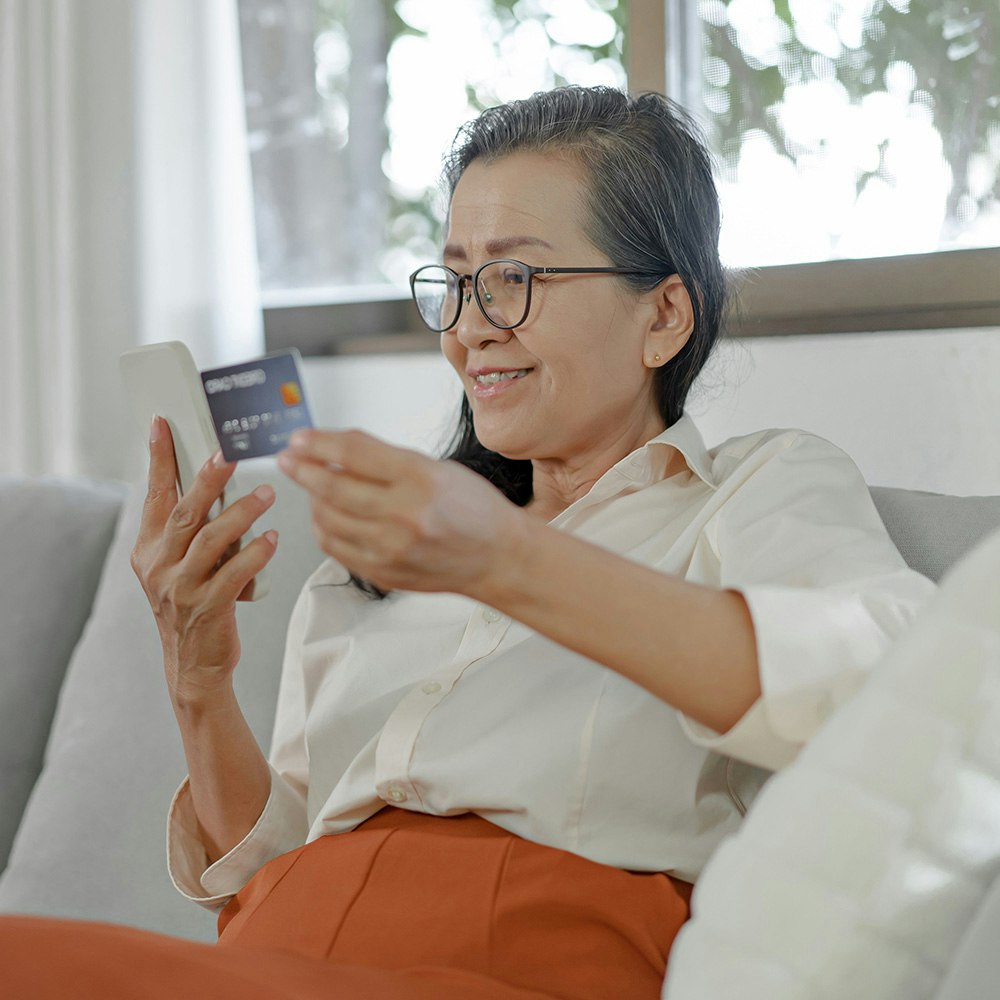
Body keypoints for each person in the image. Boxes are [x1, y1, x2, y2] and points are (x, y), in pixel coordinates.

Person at [1, 86, 935, 999]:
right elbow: (267, 876)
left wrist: (505, 559)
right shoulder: (380, 559)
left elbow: (889, 694)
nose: (469, 329)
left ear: (664, 316)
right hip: (282, 957)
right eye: (454, 283)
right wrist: (195, 680)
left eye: (514, 279)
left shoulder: (758, 487)